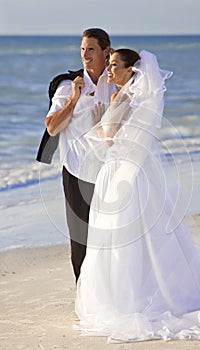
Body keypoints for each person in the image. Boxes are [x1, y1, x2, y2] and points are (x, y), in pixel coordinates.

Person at [74, 49, 200, 343]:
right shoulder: (139, 97)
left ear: (130, 70)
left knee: (121, 237)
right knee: (148, 233)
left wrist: (97, 121)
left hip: (122, 173)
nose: (109, 72)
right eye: (107, 66)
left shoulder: (123, 98)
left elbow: (108, 139)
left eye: (113, 66)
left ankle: (128, 297)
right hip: (138, 172)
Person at [44, 28, 117, 283]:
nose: (85, 55)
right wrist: (74, 100)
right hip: (76, 171)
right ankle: (83, 296)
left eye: (91, 49)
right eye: (83, 49)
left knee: (110, 236)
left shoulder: (116, 81)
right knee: (80, 239)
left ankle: (109, 293)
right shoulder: (67, 86)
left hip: (109, 171)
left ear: (106, 51)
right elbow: (52, 127)